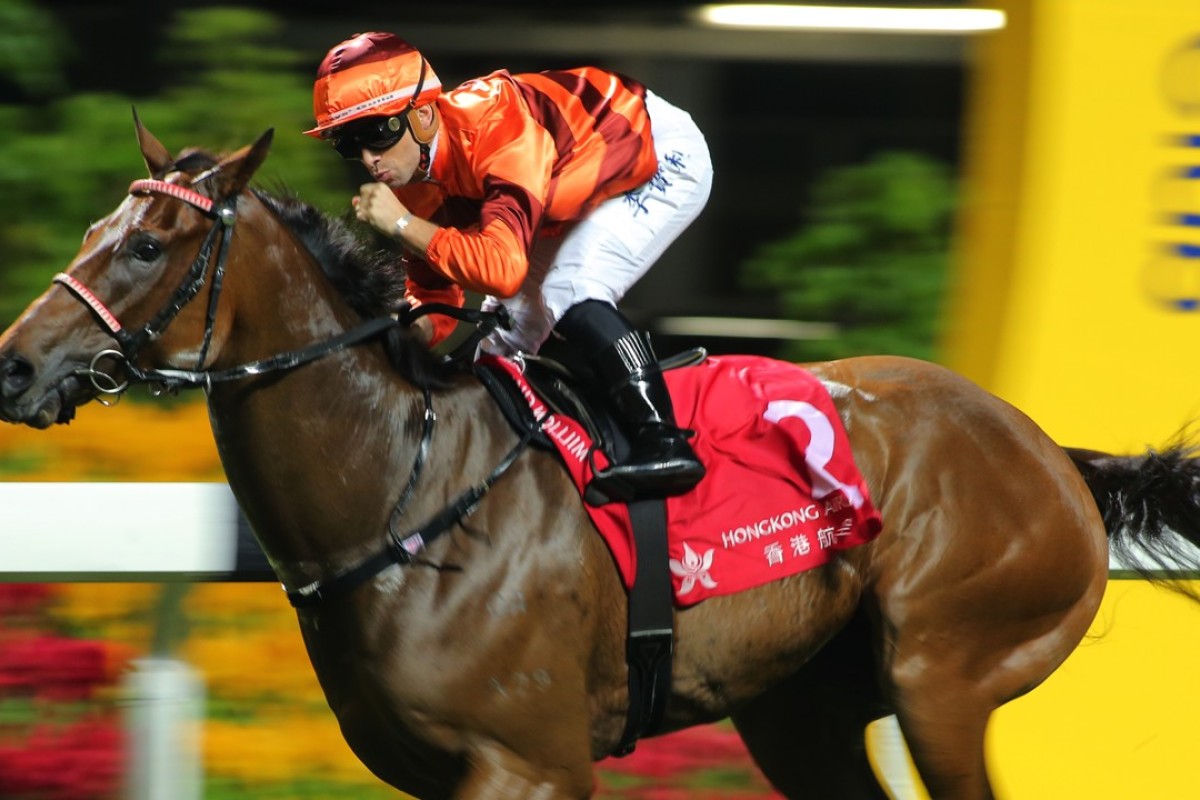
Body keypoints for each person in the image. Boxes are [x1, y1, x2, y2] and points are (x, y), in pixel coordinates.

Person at [304, 31, 713, 502]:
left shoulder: (494, 126)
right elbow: (438, 298)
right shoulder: (413, 177)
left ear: (421, 115)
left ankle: (662, 440)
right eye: (349, 144)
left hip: (652, 152)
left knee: (570, 289)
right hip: (566, 187)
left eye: (377, 133)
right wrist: (392, 343)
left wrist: (401, 224)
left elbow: (502, 271)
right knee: (498, 344)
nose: (370, 159)